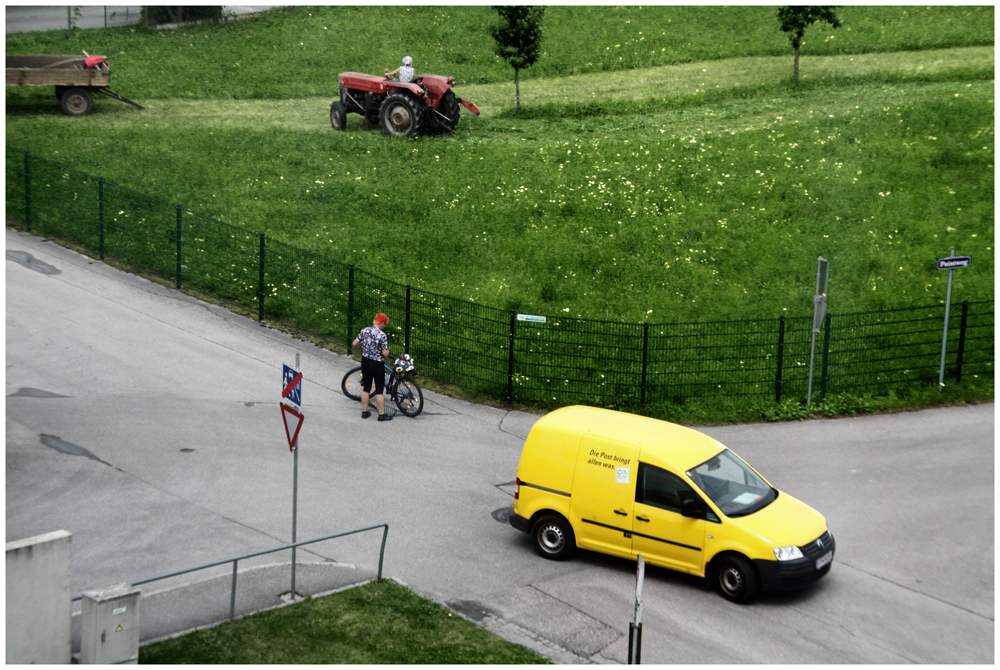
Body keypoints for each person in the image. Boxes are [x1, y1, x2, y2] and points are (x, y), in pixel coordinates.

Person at [352, 313, 392, 421]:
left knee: (366, 388)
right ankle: (381, 414)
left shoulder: (365, 330)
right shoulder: (382, 335)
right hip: (377, 363)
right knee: (379, 390)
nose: (385, 326)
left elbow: (355, 343)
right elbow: (384, 353)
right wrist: (388, 351)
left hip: (365, 361)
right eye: (385, 324)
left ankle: (365, 412)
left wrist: (364, 344)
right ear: (382, 323)